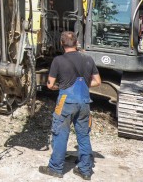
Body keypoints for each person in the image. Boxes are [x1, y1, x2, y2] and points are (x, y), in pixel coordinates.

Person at [39, 31, 101, 180]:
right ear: (76, 43)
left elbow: (50, 84)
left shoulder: (58, 60)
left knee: (60, 134)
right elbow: (98, 81)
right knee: (83, 136)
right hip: (85, 102)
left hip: (65, 102)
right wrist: (84, 85)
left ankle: (55, 168)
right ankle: (85, 171)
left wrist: (59, 87)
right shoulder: (88, 59)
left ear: (61, 44)